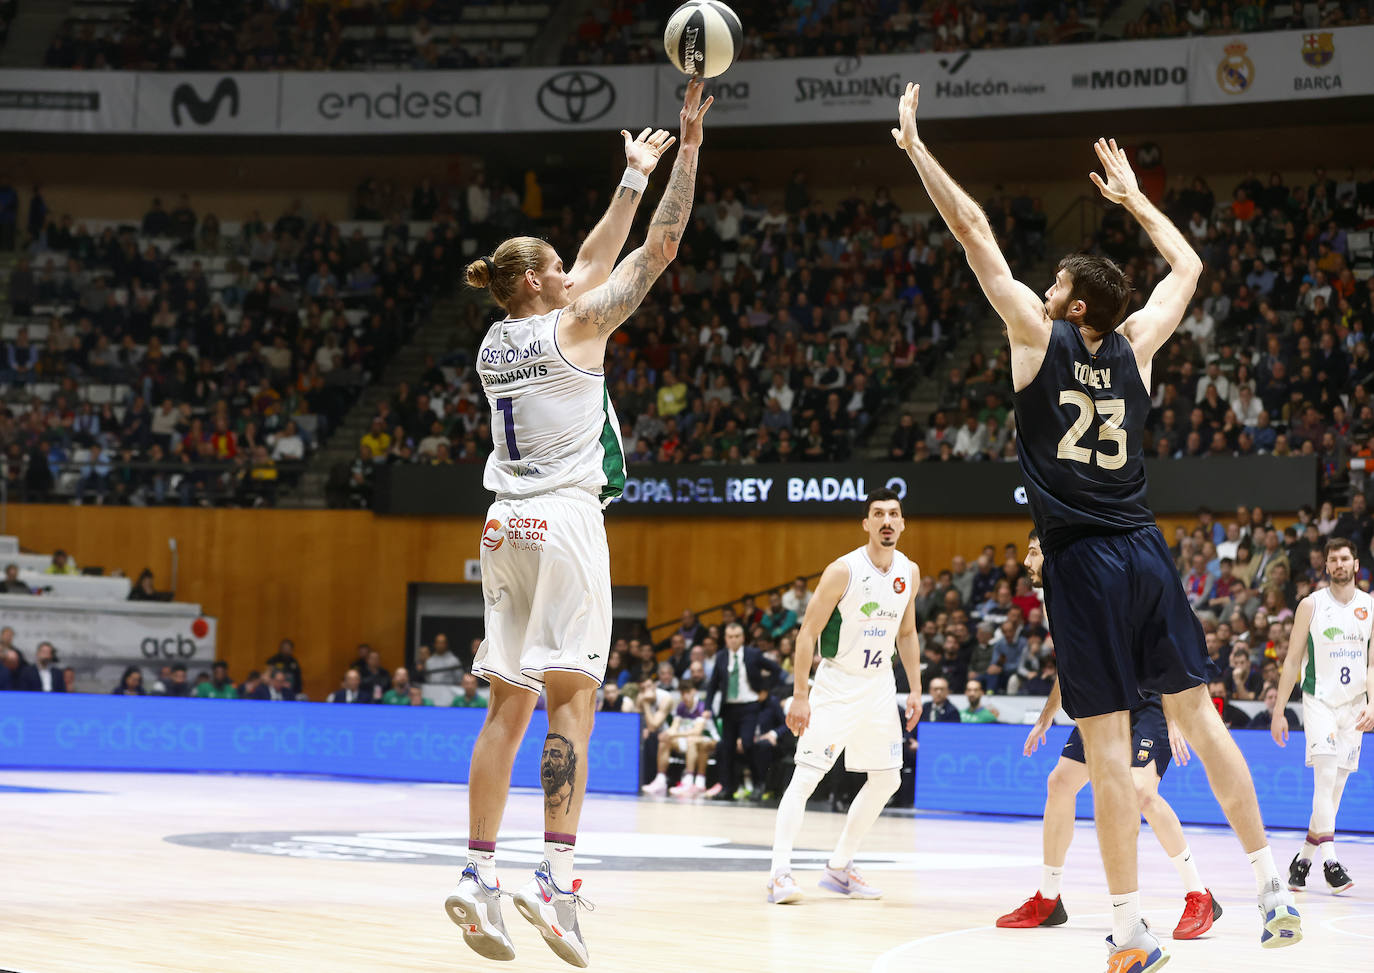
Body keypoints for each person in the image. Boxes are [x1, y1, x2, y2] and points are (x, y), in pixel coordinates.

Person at [894, 83, 1300, 964]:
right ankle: (1271, 887)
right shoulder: (1138, 345)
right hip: (1146, 551)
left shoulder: (1034, 344)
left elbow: (973, 235)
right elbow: (1188, 269)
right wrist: (1137, 201)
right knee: (1202, 721)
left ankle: (1126, 929)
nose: (1042, 289)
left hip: (1080, 562)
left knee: (1108, 752)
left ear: (1074, 307)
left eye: (1056, 285)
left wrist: (919, 150)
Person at [447, 81, 712, 968]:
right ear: (536, 281)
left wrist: (631, 179)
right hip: (564, 521)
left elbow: (590, 267)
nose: (574, 273)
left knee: (504, 711)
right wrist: (687, 146)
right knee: (574, 704)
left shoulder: (495, 341)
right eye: (558, 267)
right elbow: (656, 252)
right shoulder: (579, 323)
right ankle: (557, 884)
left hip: (501, 525)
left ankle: (476, 877)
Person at [999, 531, 1222, 940]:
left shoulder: (1096, 586)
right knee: (1060, 783)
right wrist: (1048, 714)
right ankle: (1049, 899)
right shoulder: (1057, 601)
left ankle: (1200, 894)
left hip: (1148, 703)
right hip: (1104, 704)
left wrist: (1175, 717)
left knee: (1141, 793)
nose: (1026, 562)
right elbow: (1072, 667)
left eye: (1032, 553)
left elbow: (1163, 647)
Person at [766, 489, 921, 905]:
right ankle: (779, 872)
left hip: (880, 686)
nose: (887, 521)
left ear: (902, 524)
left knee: (888, 778)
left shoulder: (910, 571)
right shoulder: (843, 571)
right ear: (866, 523)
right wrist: (801, 694)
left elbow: (906, 634)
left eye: (894, 514)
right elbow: (807, 634)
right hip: (837, 685)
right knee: (806, 777)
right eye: (878, 514)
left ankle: (840, 867)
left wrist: (916, 690)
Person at [1271, 537, 1374, 896]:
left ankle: (1303, 861)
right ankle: (1331, 861)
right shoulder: (1310, 605)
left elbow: (1372, 663)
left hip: (1354, 707)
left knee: (1336, 787)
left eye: (1346, 558)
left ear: (1356, 564)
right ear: (1326, 566)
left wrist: (1373, 703)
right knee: (1325, 777)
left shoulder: (1370, 606)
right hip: (1320, 702)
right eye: (1334, 559)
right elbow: (1291, 661)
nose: (1340, 564)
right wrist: (1279, 709)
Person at [701, 621, 780, 801]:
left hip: (749, 706)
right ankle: (727, 787)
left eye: (737, 636)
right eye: (730, 637)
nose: (734, 640)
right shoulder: (721, 657)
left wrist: (765, 690)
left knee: (747, 744)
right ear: (726, 639)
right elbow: (713, 685)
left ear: (743, 638)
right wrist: (707, 707)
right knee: (726, 748)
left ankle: (758, 783)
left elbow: (775, 670)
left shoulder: (753, 654)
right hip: (729, 708)